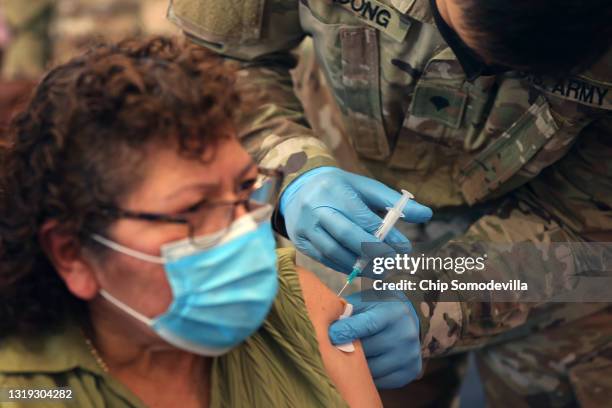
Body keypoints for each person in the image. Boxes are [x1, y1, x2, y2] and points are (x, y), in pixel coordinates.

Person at [167, 0, 612, 404]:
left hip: (554, 266)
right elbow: (217, 58)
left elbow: (578, 217)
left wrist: (434, 305)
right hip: (340, 196)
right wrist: (291, 168)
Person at [0, 37, 385, 408]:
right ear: (72, 254)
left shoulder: (300, 307)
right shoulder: (28, 391)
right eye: (196, 209)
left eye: (246, 188)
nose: (242, 230)